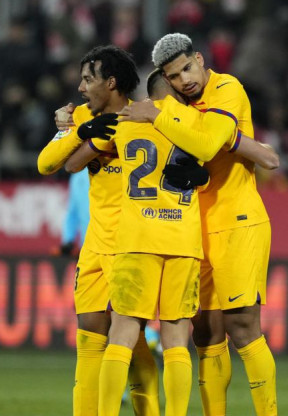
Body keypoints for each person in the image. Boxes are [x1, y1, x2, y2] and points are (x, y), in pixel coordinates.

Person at [118, 33, 278, 416]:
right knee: (206, 332)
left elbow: (206, 147)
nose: (185, 79)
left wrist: (158, 114)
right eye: (174, 76)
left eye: (188, 68)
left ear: (201, 60)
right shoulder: (177, 107)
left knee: (242, 326)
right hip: (193, 228)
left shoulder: (226, 89)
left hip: (238, 221)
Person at [38, 45, 184, 416]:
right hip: (96, 244)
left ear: (112, 82)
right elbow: (50, 164)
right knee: (89, 336)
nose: (81, 87)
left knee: (129, 341)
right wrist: (78, 129)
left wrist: (83, 137)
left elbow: (73, 164)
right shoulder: (83, 116)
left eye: (89, 79)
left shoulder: (145, 118)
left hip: (132, 245)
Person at [63, 64, 214, 416]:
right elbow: (208, 166)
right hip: (181, 238)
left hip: (136, 239)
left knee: (122, 335)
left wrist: (71, 127)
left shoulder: (126, 121)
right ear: (175, 90)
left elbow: (73, 163)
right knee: (176, 339)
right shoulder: (194, 122)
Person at [59, 169, 90, 257]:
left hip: (114, 244)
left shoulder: (113, 168)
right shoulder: (78, 175)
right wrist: (68, 240)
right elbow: (72, 211)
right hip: (87, 247)